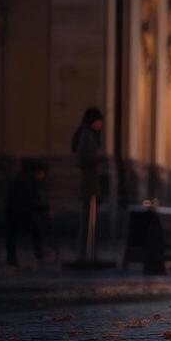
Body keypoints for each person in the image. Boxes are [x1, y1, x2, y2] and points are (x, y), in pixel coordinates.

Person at [70, 106, 105, 260]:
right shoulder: (86, 135)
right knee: (88, 221)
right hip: (89, 184)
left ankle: (89, 253)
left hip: (92, 184)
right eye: (99, 121)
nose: (101, 124)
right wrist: (98, 157)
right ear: (93, 121)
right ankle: (86, 254)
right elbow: (83, 159)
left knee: (91, 221)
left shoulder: (90, 135)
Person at [4, 159, 49, 267]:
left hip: (13, 213)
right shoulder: (27, 181)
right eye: (42, 173)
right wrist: (44, 209)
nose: (43, 176)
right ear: (37, 172)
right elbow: (30, 199)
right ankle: (39, 256)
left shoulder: (22, 178)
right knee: (38, 230)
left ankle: (11, 259)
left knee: (12, 235)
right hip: (19, 214)